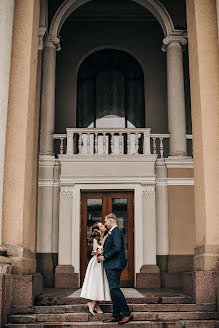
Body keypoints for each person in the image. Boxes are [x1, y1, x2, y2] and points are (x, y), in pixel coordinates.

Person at [97, 213, 133, 325]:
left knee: (114, 289)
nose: (105, 223)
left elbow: (117, 248)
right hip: (111, 265)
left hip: (114, 265)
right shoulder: (111, 232)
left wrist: (105, 256)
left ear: (111, 221)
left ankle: (127, 313)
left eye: (106, 221)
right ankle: (116, 315)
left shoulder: (116, 231)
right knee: (113, 290)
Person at [80, 222, 111, 315]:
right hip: (97, 263)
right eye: (101, 226)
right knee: (97, 283)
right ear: (97, 230)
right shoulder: (95, 239)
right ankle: (92, 303)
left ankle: (96, 306)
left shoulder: (104, 236)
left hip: (102, 262)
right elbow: (96, 251)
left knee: (100, 284)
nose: (104, 226)